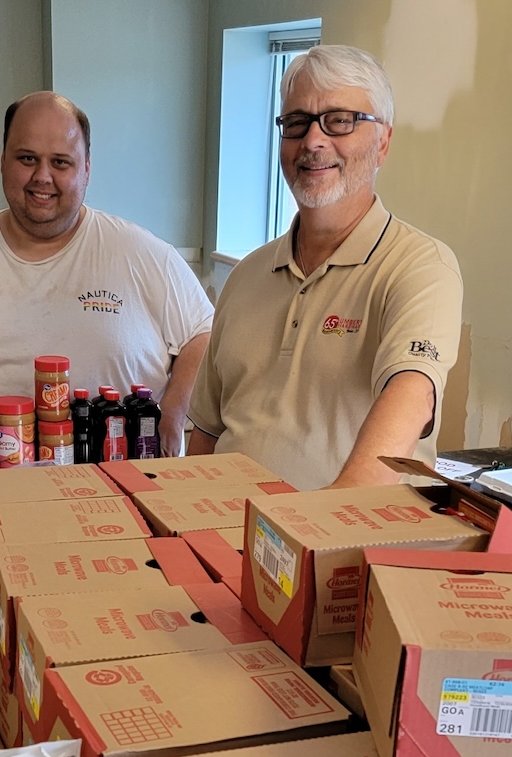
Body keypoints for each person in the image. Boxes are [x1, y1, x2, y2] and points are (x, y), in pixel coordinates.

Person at [0, 91, 213, 456]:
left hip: (118, 491)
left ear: (87, 168)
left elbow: (203, 335)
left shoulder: (144, 255)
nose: (42, 177)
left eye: (61, 162)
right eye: (27, 158)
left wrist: (174, 414)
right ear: (2, 161)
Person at [187, 45, 462, 489]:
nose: (313, 141)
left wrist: (321, 526)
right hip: (228, 542)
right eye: (297, 122)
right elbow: (206, 433)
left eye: (340, 120)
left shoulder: (420, 268)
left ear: (383, 143)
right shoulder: (246, 277)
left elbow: (411, 395)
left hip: (344, 548)